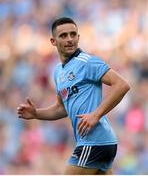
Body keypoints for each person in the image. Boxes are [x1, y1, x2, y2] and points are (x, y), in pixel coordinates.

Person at [17, 17, 130, 175]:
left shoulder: (87, 62)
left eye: (73, 34)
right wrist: (37, 114)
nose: (69, 39)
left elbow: (122, 85)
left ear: (78, 37)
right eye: (63, 36)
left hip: (94, 141)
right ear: (53, 41)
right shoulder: (57, 72)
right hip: (100, 142)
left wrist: (95, 115)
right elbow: (61, 108)